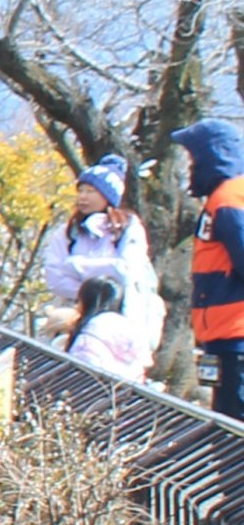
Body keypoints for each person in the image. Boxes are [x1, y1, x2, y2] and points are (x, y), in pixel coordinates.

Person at [37, 156, 161, 381]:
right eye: (81, 190)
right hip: (72, 316)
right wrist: (94, 289)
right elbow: (55, 278)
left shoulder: (127, 228)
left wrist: (76, 266)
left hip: (121, 318)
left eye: (91, 191)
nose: (83, 197)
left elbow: (127, 270)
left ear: (108, 196)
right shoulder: (68, 232)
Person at [175, 120, 244, 421]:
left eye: (194, 159)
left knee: (234, 426)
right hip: (223, 336)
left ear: (212, 156)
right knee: (226, 422)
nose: (191, 168)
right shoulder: (222, 199)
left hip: (237, 336)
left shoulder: (230, 199)